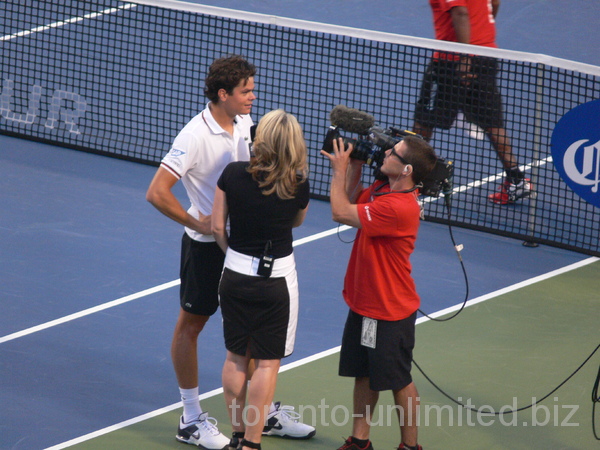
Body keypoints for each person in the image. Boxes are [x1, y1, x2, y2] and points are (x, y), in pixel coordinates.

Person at [146, 56, 314, 449]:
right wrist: (199, 223)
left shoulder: (246, 124)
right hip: (207, 249)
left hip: (246, 249)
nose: (253, 97)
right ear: (223, 94)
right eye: (246, 91)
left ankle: (261, 412)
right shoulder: (193, 137)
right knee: (192, 324)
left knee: (252, 335)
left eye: (253, 89)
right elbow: (156, 191)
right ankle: (190, 417)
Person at [321, 135, 437, 450]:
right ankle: (360, 441)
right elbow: (350, 201)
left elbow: (340, 213)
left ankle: (410, 447)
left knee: (399, 381)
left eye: (394, 153)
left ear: (407, 169)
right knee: (364, 373)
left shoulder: (398, 207)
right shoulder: (383, 189)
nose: (386, 152)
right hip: (364, 303)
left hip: (389, 309)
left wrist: (339, 169)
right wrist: (355, 167)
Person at [212, 109, 312, 450]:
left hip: (234, 275)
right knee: (267, 364)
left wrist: (237, 256)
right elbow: (296, 223)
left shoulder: (233, 174)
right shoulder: (298, 184)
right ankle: (252, 444)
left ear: (259, 139)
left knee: (235, 357)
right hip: (277, 284)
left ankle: (237, 435)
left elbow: (216, 227)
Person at [413, 0, 532, 205]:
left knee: (424, 119)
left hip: (452, 61)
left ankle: (410, 178)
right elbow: (494, 3)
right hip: (487, 56)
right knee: (493, 124)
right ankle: (517, 180)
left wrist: (465, 56)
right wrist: (479, 35)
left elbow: (460, 12)